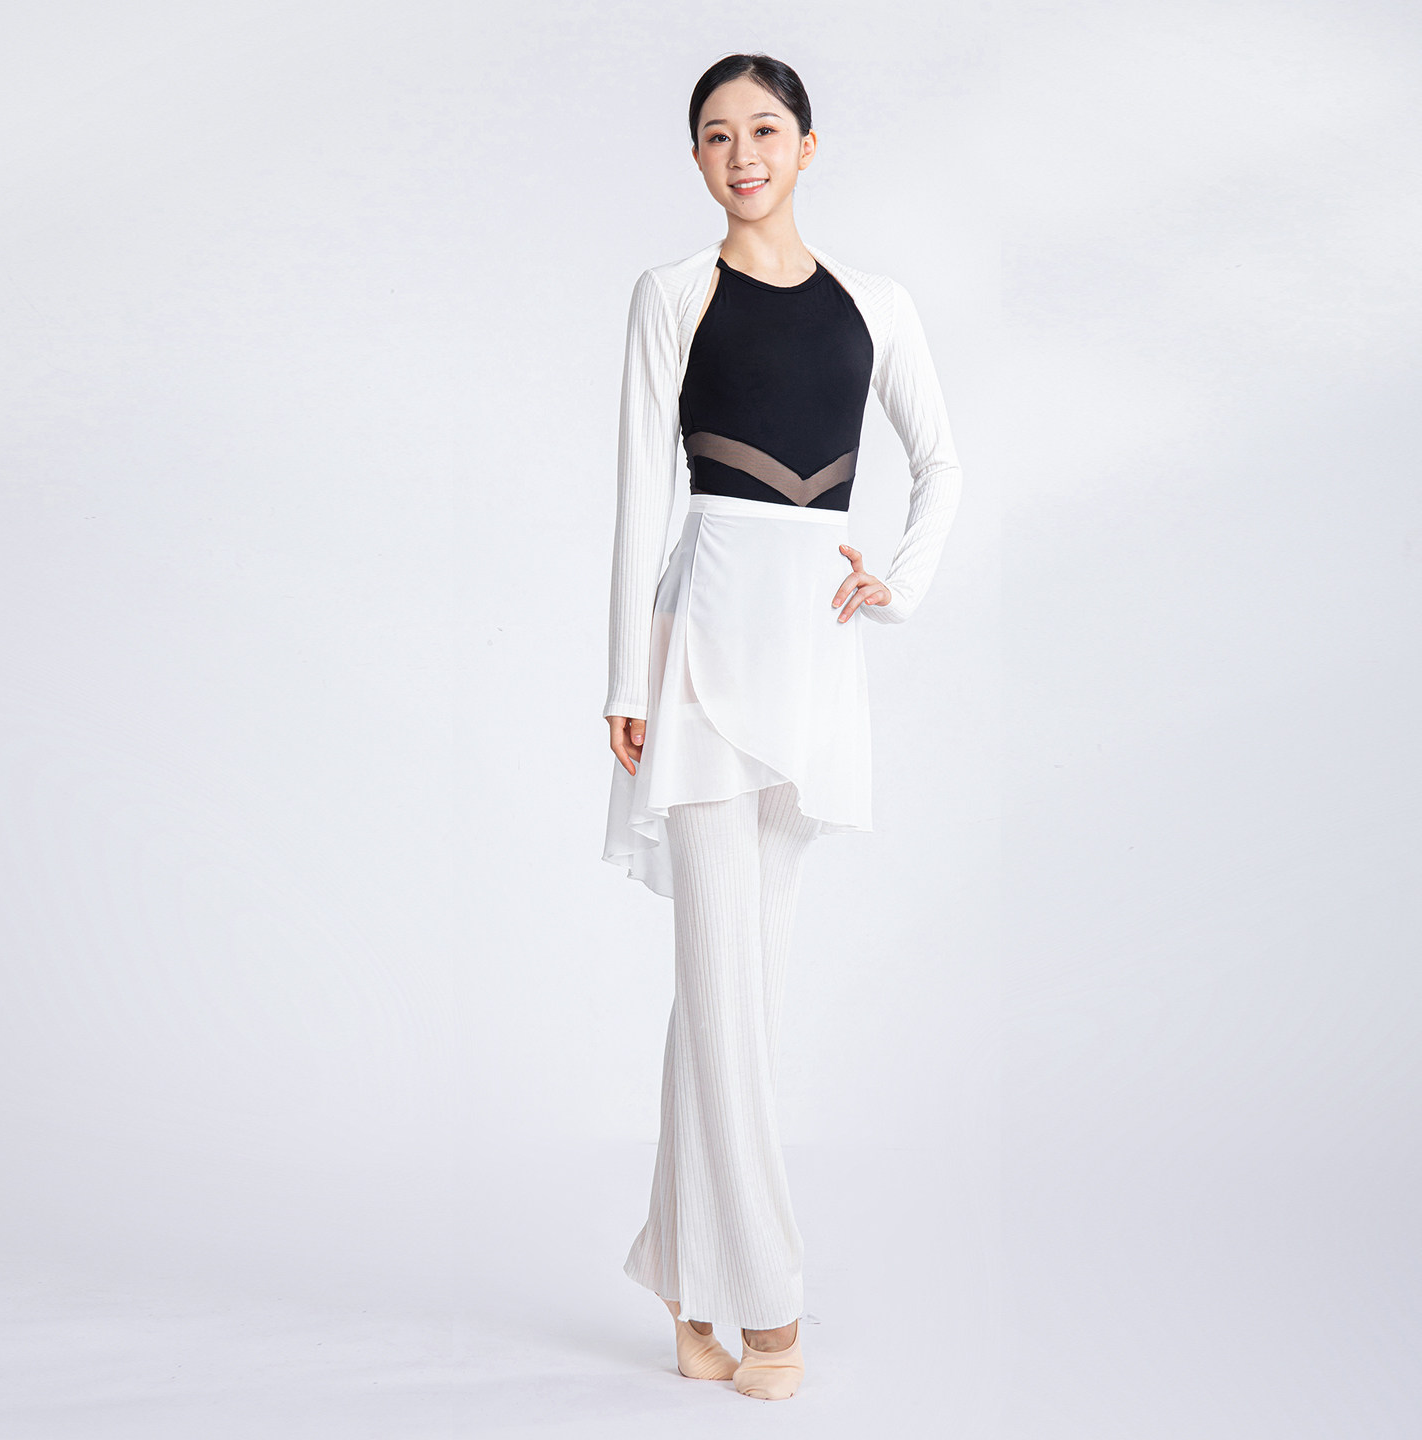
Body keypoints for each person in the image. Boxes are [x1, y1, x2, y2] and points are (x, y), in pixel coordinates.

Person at [601, 52, 965, 1402]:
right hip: (698, 654)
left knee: (738, 990)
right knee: (722, 987)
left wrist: (897, 582)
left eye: (764, 129)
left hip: (812, 663)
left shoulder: (877, 303)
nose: (742, 154)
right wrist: (624, 682)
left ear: (808, 145)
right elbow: (639, 494)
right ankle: (767, 1303)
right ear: (696, 158)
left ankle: (678, 1271)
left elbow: (942, 460)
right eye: (716, 135)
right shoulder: (671, 295)